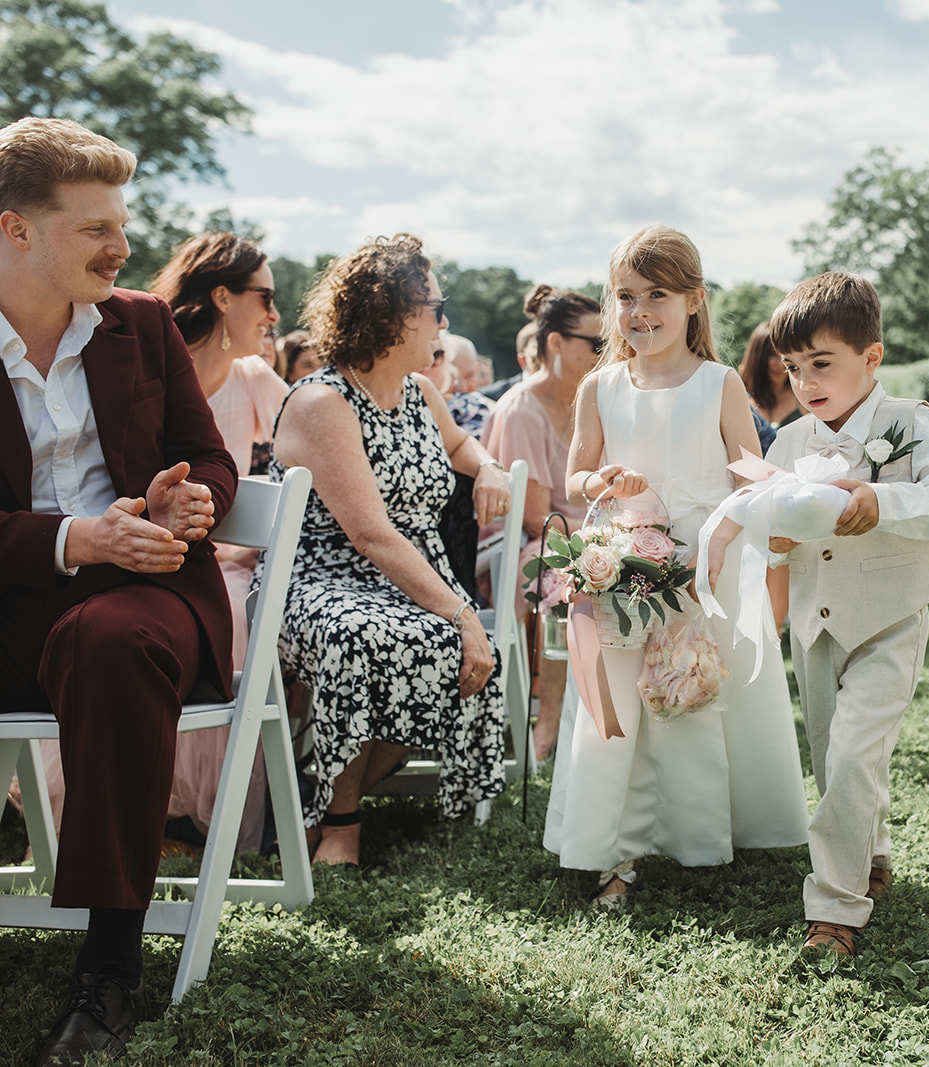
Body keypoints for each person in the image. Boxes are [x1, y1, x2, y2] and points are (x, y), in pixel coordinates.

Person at [0, 117, 237, 1064]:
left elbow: (214, 457)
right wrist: (71, 538)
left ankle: (109, 967)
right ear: (14, 230)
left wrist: (193, 504)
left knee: (112, 643)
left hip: (144, 598)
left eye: (122, 222)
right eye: (95, 227)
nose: (124, 246)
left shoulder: (141, 323)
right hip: (20, 595)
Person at [546, 225, 808, 908]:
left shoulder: (719, 384)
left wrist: (779, 501)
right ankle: (614, 849)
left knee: (691, 690)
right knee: (623, 699)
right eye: (626, 296)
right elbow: (574, 475)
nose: (639, 312)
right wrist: (597, 481)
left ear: (694, 300)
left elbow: (746, 468)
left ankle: (700, 834)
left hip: (700, 560)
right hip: (624, 559)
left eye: (657, 294)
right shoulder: (599, 387)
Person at [271, 234, 513, 867]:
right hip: (323, 581)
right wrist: (462, 614)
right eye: (435, 305)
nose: (443, 319)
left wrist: (486, 468)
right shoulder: (325, 401)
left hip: (410, 577)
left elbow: (462, 448)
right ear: (392, 313)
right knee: (370, 639)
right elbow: (371, 535)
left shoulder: (420, 393)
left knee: (448, 654)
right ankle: (342, 823)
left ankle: (317, 801)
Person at [763, 271, 929, 957]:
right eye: (794, 368)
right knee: (833, 760)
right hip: (814, 625)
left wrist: (882, 501)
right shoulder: (789, 442)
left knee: (856, 749)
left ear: (871, 357)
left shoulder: (909, 422)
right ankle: (871, 850)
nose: (807, 381)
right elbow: (763, 518)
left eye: (821, 363)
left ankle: (835, 909)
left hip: (889, 617)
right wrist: (774, 534)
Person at [149, 231, 291, 853]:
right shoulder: (146, 366)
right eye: (265, 295)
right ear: (223, 296)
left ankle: (198, 812)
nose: (274, 313)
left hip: (229, 560)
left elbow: (312, 443)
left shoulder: (256, 379)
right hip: (147, 551)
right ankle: (143, 802)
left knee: (237, 607)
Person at [481, 283, 603, 767]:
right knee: (564, 574)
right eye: (596, 344)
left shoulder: (592, 401)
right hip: (515, 550)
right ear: (555, 343)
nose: (605, 354)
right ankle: (550, 719)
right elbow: (537, 518)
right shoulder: (521, 409)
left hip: (575, 534)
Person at [738, 320, 802, 434]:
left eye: (785, 357)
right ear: (758, 356)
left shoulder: (803, 398)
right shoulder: (738, 398)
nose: (780, 364)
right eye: (773, 355)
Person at [440, 330, 491, 440]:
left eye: (469, 376)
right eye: (453, 377)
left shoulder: (480, 406)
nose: (462, 387)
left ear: (477, 370)